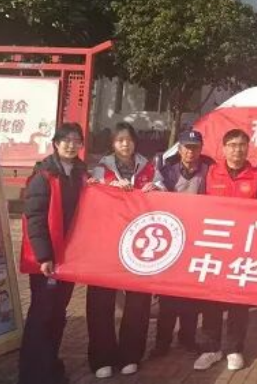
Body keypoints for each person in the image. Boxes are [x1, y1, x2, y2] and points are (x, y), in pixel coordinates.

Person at [86, 122, 165, 378]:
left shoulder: (149, 168)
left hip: (138, 244)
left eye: (128, 140)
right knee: (100, 301)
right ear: (112, 144)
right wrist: (107, 190)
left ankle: (131, 355)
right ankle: (101, 358)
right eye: (119, 140)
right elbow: (91, 198)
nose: (125, 144)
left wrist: (156, 189)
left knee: (138, 301)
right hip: (106, 244)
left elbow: (165, 194)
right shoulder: (101, 169)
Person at [18, 123, 88, 384]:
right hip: (47, 260)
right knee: (41, 315)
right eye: (66, 140)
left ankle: (49, 366)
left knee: (58, 314)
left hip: (68, 259)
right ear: (56, 144)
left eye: (76, 140)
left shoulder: (81, 174)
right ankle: (32, 374)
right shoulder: (44, 176)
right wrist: (44, 257)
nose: (71, 145)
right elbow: (34, 219)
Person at [193, 128, 257, 372]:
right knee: (211, 300)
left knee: (238, 302)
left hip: (244, 248)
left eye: (242, 145)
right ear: (223, 148)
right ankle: (210, 348)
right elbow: (198, 207)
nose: (237, 150)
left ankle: (234, 349)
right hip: (215, 247)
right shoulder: (211, 173)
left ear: (248, 148)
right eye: (232, 145)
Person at [151, 129, 214, 358]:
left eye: (195, 147)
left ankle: (187, 338)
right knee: (167, 294)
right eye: (187, 147)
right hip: (172, 238)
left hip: (198, 239)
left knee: (191, 293)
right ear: (179, 149)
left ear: (201, 149)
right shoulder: (167, 171)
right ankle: (162, 342)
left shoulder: (209, 171)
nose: (191, 152)